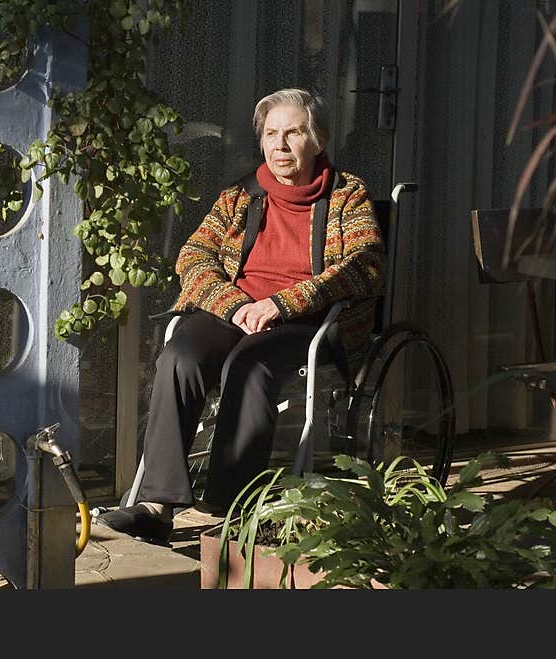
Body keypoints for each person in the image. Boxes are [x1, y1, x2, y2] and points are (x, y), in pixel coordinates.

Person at [95, 88, 386, 543]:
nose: (280, 145)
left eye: (293, 133)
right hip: (237, 308)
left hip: (305, 321)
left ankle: (233, 506)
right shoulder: (240, 195)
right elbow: (194, 256)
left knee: (251, 367)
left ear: (319, 139)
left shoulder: (348, 196)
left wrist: (282, 304)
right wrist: (234, 306)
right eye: (271, 134)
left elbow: (363, 266)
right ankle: (156, 503)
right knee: (179, 357)